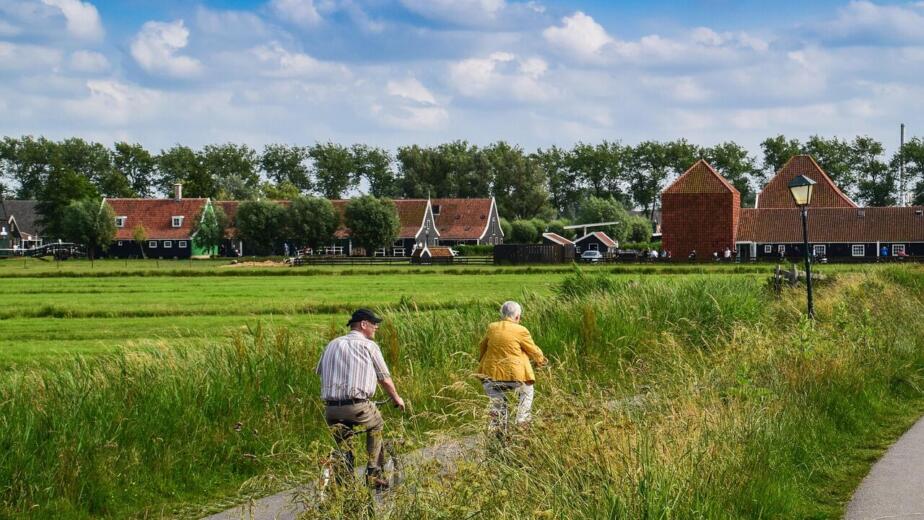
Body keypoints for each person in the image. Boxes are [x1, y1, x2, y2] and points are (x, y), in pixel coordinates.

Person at [316, 308, 405, 489]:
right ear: (364, 324)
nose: (376, 327)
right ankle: (373, 473)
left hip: (331, 409)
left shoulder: (332, 344)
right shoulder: (369, 346)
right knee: (377, 424)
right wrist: (396, 398)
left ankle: (344, 480)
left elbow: (319, 371)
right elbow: (384, 378)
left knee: (344, 443)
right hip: (357, 407)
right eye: (374, 324)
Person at [477, 301, 547, 432]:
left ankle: (497, 427)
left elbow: (482, 346)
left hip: (490, 376)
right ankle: (522, 421)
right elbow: (533, 350)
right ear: (517, 316)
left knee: (497, 403)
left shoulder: (492, 327)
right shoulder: (521, 330)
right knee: (527, 391)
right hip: (515, 377)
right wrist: (541, 361)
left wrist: (481, 360)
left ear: (502, 314)